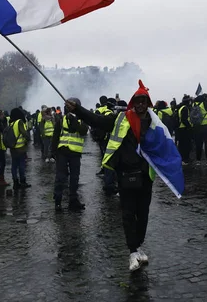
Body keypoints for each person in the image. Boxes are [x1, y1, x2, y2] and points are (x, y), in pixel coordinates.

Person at [67, 81, 158, 272]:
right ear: (133, 103)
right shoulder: (120, 119)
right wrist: (79, 110)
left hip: (146, 176)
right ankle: (132, 252)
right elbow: (96, 120)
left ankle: (138, 245)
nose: (140, 105)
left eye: (144, 101)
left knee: (143, 215)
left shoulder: (155, 122)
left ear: (148, 103)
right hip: (125, 174)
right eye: (137, 101)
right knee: (127, 214)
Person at [52, 97, 89, 211]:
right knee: (60, 177)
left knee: (74, 178)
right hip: (63, 151)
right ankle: (58, 202)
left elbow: (83, 131)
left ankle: (73, 201)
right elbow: (56, 136)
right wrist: (53, 151)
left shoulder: (82, 120)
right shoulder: (62, 119)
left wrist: (74, 121)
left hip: (75, 153)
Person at [9, 107, 31, 189]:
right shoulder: (19, 122)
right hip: (20, 148)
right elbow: (24, 133)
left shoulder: (11, 123)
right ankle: (23, 181)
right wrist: (28, 138)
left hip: (13, 148)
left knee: (14, 165)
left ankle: (15, 182)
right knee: (22, 165)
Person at [192, 94, 207, 166]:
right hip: (206, 126)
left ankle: (198, 161)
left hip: (196, 126)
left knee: (198, 144)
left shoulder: (194, 104)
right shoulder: (204, 103)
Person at [177, 95, 192, 165]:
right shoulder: (185, 108)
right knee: (186, 145)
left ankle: (183, 159)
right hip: (185, 129)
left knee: (182, 145)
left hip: (180, 128)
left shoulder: (181, 107)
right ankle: (185, 159)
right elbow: (184, 119)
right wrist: (189, 126)